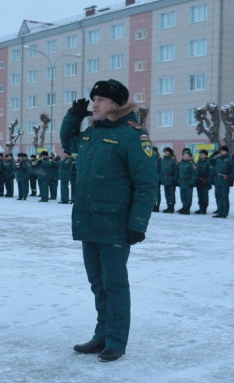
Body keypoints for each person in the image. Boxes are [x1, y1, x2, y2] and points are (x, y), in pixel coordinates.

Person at [60, 79, 158, 362]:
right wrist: (73, 117)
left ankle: (116, 340)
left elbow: (147, 183)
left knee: (114, 285)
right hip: (89, 222)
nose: (95, 105)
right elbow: (68, 143)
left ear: (116, 104)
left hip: (115, 225)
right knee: (98, 284)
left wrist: (138, 224)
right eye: (93, 100)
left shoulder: (132, 136)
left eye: (100, 100)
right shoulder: (92, 134)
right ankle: (101, 334)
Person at [212, 145, 234, 218]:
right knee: (218, 196)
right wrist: (213, 154)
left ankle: (224, 212)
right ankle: (219, 211)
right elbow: (210, 161)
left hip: (225, 178)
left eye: (223, 151)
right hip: (218, 179)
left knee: (224, 197)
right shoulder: (218, 159)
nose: (221, 152)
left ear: (226, 152)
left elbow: (233, 169)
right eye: (221, 151)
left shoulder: (229, 159)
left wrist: (231, 178)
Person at [177, 149, 197, 215]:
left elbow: (194, 174)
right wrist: (178, 181)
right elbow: (179, 172)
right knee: (182, 195)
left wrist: (192, 182)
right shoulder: (181, 163)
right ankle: (184, 206)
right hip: (182, 182)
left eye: (186, 155)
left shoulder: (191, 163)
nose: (185, 156)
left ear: (189, 156)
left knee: (188, 196)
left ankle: (187, 208)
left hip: (188, 182)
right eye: (184, 155)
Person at [194, 150, 212, 214]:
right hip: (199, 180)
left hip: (205, 180)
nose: (201, 155)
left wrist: (208, 181)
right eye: (201, 154)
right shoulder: (198, 161)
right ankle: (201, 208)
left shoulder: (208, 162)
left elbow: (210, 173)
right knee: (200, 195)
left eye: (203, 154)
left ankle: (204, 208)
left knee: (204, 195)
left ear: (206, 155)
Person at [161, 147, 177, 213]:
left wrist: (175, 179)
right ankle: (168, 206)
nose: (165, 153)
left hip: (171, 179)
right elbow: (162, 170)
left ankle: (171, 207)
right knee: (167, 194)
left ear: (170, 152)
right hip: (165, 179)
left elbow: (176, 170)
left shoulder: (173, 160)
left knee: (171, 194)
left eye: (167, 151)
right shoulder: (163, 160)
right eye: (164, 151)